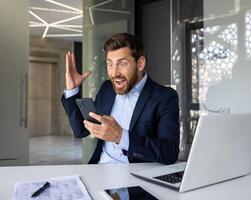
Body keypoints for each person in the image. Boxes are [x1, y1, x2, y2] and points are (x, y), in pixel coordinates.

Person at [61, 33, 180, 165]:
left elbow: (170, 152)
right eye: (110, 64)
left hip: (134, 177)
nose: (114, 73)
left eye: (122, 64)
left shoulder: (165, 97)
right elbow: (80, 131)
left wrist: (121, 137)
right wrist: (71, 90)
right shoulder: (107, 88)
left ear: (140, 64)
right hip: (99, 170)